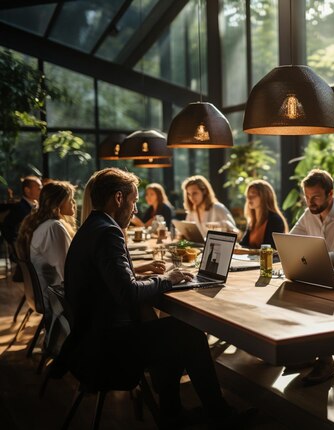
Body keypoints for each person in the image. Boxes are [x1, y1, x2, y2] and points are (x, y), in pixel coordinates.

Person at [61, 168, 243, 427]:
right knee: (187, 333)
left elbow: (114, 282)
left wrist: (152, 277)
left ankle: (174, 414)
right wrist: (167, 279)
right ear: (118, 198)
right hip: (107, 350)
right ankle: (219, 416)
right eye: (134, 201)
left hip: (91, 342)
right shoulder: (108, 232)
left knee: (170, 330)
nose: (136, 209)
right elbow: (129, 293)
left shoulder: (92, 227)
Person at [289, 169, 334, 385]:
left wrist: (306, 257)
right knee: (290, 291)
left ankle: (325, 361)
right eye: (307, 196)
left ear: (330, 194)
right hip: (321, 275)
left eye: (315, 197)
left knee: (313, 297)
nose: (310, 202)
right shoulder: (308, 214)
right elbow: (291, 241)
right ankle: (309, 353)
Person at [16, 180, 76, 345]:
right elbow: (68, 273)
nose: (73, 203)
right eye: (70, 199)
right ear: (59, 203)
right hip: (56, 297)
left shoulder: (44, 224)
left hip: (45, 294)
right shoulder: (54, 227)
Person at [240, 179, 288, 249]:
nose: (249, 198)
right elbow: (244, 244)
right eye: (247, 195)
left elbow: (270, 249)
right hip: (253, 259)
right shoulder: (252, 221)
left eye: (253, 194)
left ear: (265, 196)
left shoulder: (275, 220)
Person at [1, 175, 43, 245]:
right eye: (39, 188)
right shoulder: (19, 209)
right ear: (27, 190)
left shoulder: (38, 206)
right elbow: (8, 231)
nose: (42, 190)